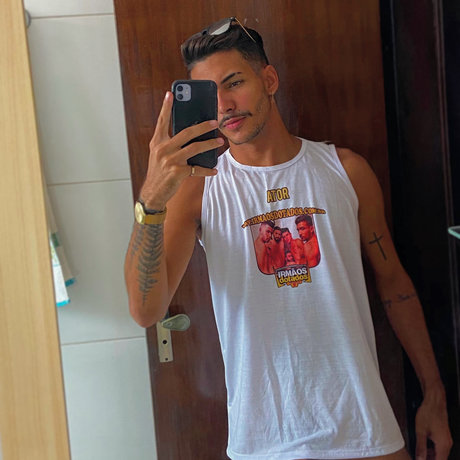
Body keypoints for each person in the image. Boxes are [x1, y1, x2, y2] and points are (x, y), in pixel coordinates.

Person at [124, 17, 452, 460]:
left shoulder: (345, 171)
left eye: (234, 82)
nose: (224, 105)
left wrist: (434, 393)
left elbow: (395, 286)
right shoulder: (199, 190)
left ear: (269, 80)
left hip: (364, 431)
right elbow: (146, 311)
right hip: (265, 441)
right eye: (210, 94)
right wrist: (151, 199)